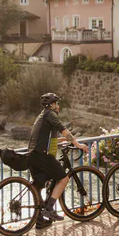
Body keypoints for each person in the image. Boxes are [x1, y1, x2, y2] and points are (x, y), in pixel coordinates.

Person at [27, 93, 89, 228]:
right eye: (57, 104)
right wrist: (78, 145)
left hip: (33, 155)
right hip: (42, 155)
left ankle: (39, 221)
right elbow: (64, 130)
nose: (59, 106)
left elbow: (48, 136)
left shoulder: (42, 115)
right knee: (64, 179)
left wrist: (65, 140)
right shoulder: (50, 114)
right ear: (53, 105)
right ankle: (48, 209)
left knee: (39, 186)